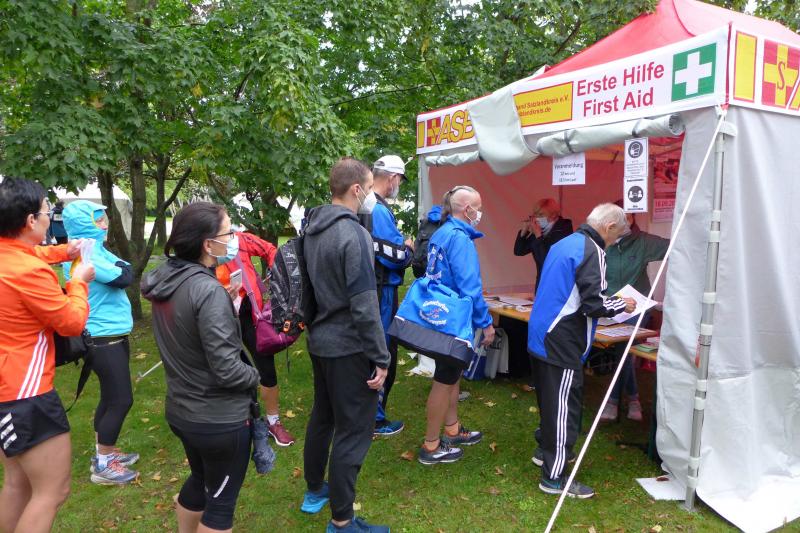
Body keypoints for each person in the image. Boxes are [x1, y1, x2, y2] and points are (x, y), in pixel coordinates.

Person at [141, 202, 260, 533]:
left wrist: (223, 304)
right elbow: (228, 370)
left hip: (183, 410)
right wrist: (255, 375)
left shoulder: (169, 278)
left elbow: (190, 330)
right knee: (220, 506)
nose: (234, 238)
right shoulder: (206, 291)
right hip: (217, 419)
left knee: (200, 479)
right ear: (208, 244)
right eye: (228, 232)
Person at [300, 158, 390, 533]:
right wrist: (381, 357)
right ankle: (342, 520)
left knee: (323, 416)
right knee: (353, 430)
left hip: (320, 340)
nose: (370, 194)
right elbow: (365, 305)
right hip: (347, 345)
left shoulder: (312, 227)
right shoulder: (353, 234)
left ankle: (315, 490)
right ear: (356, 189)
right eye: (368, 187)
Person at [0, 177, 94, 533]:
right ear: (30, 221)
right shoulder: (29, 272)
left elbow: (30, 252)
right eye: (46, 212)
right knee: (52, 492)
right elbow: (71, 322)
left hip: (7, 389)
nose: (48, 217)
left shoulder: (9, 257)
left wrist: (64, 251)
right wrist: (79, 281)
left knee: (17, 484)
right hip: (25, 393)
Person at [527, 203, 635, 499]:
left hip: (542, 332)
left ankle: (545, 450)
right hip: (561, 339)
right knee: (564, 408)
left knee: (551, 402)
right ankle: (554, 476)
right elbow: (593, 304)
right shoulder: (592, 250)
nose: (616, 241)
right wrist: (621, 304)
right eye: (618, 234)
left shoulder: (566, 242)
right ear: (609, 227)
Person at [62, 200, 138, 485]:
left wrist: (120, 266)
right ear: (84, 223)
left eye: (105, 217)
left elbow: (124, 268)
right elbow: (125, 276)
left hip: (112, 334)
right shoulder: (86, 255)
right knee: (121, 399)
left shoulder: (97, 250)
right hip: (101, 337)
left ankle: (103, 452)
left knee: (109, 396)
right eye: (98, 219)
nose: (105, 224)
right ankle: (104, 465)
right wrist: (120, 266)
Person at [418, 186, 494, 465]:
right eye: (478, 208)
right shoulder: (459, 238)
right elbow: (470, 287)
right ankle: (431, 445)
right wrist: (486, 323)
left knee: (451, 374)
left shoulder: (442, 232)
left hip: (441, 315)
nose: (480, 214)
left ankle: (451, 429)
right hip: (454, 320)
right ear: (467, 209)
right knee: (444, 380)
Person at [215, 232, 297, 446]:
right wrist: (219, 293)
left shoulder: (239, 240)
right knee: (228, 368)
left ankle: (273, 421)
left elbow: (270, 250)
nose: (230, 235)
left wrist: (277, 274)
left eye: (229, 230)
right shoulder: (200, 251)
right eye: (225, 230)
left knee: (265, 368)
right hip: (218, 318)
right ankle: (237, 420)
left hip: (251, 315)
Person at [358, 154, 414, 437]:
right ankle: (375, 420)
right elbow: (394, 256)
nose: (398, 185)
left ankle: (366, 415)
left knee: (372, 349)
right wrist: (409, 248)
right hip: (382, 290)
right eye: (399, 180)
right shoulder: (377, 209)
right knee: (382, 351)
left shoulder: (365, 203)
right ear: (392, 178)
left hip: (371, 287)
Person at [599, 201, 669, 422]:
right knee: (624, 352)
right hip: (611, 306)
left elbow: (675, 246)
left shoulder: (643, 241)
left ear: (631, 219)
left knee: (624, 350)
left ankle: (612, 402)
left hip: (637, 307)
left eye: (626, 217)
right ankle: (633, 398)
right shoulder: (603, 241)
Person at [514, 198, 573, 292]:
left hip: (558, 286)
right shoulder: (541, 230)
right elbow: (519, 251)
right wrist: (523, 233)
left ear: (553, 215)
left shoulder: (563, 231)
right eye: (535, 214)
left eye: (541, 215)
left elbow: (547, 261)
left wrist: (538, 236)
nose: (536, 218)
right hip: (541, 284)